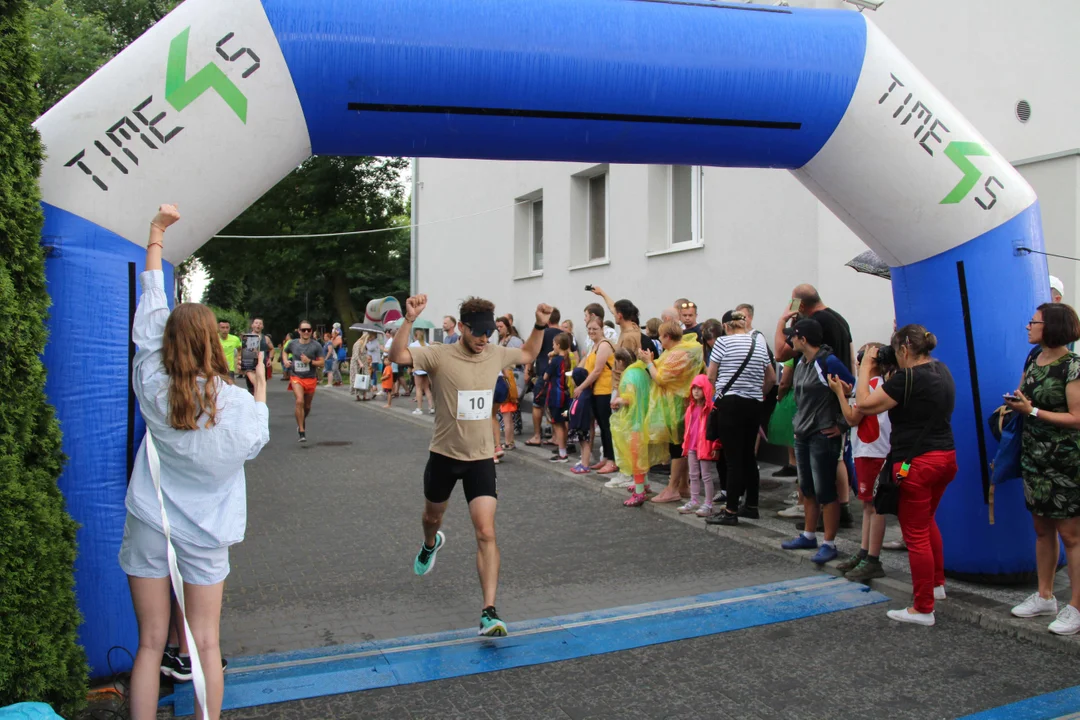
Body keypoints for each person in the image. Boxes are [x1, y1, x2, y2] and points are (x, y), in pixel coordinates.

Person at [121, 205, 269, 720]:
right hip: (207, 534)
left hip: (150, 522)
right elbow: (256, 443)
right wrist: (263, 392)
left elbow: (151, 314)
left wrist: (156, 235)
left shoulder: (151, 386)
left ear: (168, 345)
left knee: (149, 644)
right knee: (205, 642)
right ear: (215, 341)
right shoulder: (238, 406)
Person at [390, 294, 551, 636]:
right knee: (432, 517)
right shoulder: (439, 353)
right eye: (477, 333)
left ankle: (489, 612)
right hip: (444, 457)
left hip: (480, 459)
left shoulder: (494, 353)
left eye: (488, 333)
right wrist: (408, 319)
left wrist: (539, 324)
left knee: (486, 532)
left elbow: (528, 354)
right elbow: (398, 355)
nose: (483, 340)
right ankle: (431, 543)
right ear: (462, 327)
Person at [857, 325, 956, 626]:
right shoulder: (941, 370)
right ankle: (936, 586)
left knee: (915, 536)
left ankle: (923, 608)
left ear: (903, 350)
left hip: (916, 464)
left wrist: (864, 367)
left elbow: (863, 404)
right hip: (946, 457)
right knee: (926, 522)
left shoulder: (906, 378)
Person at [1005, 304, 1080, 635]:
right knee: (1041, 528)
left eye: (1033, 321)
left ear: (1051, 326)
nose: (1028, 326)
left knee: (1071, 535)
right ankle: (1045, 595)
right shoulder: (1033, 357)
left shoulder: (1073, 367)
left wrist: (1032, 411)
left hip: (1065, 460)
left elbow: (1077, 418)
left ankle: (1076, 605)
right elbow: (1024, 392)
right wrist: (1016, 404)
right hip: (1034, 456)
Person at [774, 285, 856, 527]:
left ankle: (819, 513)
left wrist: (782, 321)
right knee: (836, 459)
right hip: (833, 403)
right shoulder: (839, 319)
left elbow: (780, 353)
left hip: (820, 408)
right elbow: (850, 359)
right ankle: (843, 509)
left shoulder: (815, 326)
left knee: (817, 468)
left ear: (800, 304)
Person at [705, 311, 775, 525]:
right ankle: (751, 505)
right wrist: (756, 392)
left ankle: (731, 511)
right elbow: (772, 377)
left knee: (733, 459)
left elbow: (710, 375)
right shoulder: (759, 343)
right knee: (748, 458)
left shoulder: (722, 343)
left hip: (730, 404)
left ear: (726, 326)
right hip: (753, 405)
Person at [831, 343, 894, 581]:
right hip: (868, 449)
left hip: (873, 451)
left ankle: (872, 558)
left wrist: (839, 393)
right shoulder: (873, 385)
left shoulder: (872, 385)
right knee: (868, 505)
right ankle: (865, 552)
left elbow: (851, 418)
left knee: (874, 506)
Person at [639, 320, 705, 504]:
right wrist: (652, 361)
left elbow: (661, 378)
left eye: (661, 336)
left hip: (676, 406)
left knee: (677, 446)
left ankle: (673, 488)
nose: (660, 340)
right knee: (681, 446)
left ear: (668, 337)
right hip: (680, 404)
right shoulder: (686, 349)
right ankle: (683, 485)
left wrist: (648, 363)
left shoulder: (679, 353)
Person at [611, 348, 665, 507]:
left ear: (620, 362)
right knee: (642, 455)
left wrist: (618, 400)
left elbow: (630, 398)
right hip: (645, 420)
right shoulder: (641, 371)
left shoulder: (628, 374)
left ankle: (639, 492)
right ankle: (645, 484)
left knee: (636, 457)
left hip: (635, 421)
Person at [574, 318, 617, 476]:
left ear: (602, 329)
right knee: (603, 426)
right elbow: (585, 365)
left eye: (595, 329)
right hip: (596, 390)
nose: (592, 332)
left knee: (607, 427)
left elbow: (597, 370)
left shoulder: (604, 345)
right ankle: (606, 457)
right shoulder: (594, 345)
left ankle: (612, 460)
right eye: (589, 329)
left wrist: (581, 387)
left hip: (605, 390)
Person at [679, 375, 719, 517]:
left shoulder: (711, 409)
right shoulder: (691, 408)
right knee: (693, 475)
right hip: (692, 446)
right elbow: (688, 429)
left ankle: (708, 504)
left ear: (706, 390)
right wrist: (686, 444)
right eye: (694, 388)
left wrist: (715, 445)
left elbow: (715, 430)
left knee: (706, 476)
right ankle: (694, 500)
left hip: (705, 446)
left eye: (699, 388)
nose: (696, 391)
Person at [525, 307, 564, 447]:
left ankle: (537, 436)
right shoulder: (566, 335)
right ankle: (555, 436)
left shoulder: (542, 333)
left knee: (537, 405)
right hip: (560, 377)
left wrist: (527, 370)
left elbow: (531, 352)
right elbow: (574, 356)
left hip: (544, 374)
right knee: (554, 406)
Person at [282, 321, 325, 442]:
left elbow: (322, 363)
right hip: (296, 377)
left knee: (307, 406)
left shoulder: (316, 345)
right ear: (299, 331)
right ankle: (301, 431)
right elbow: (285, 351)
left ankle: (301, 419)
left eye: (309, 330)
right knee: (299, 401)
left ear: (311, 331)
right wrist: (285, 361)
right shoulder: (292, 343)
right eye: (303, 330)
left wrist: (309, 361)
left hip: (310, 378)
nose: (306, 332)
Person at [544, 333, 573, 463]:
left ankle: (562, 453)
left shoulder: (555, 361)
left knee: (557, 424)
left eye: (554, 344)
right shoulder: (567, 359)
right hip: (565, 394)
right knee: (564, 422)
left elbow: (545, 376)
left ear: (558, 345)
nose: (552, 346)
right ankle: (563, 449)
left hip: (555, 395)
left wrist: (549, 361)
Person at [496, 317, 525, 447]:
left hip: (510, 379)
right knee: (507, 415)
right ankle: (509, 441)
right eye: (497, 326)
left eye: (501, 326)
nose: (498, 329)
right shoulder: (501, 341)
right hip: (505, 379)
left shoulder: (514, 341)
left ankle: (509, 442)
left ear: (508, 326)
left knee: (508, 416)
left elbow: (522, 357)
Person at [244, 317, 274, 394]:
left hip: (262, 366)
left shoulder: (266, 338)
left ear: (262, 326)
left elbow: (272, 349)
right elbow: (242, 352)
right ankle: (252, 404)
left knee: (261, 386)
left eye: (260, 323)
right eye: (256, 323)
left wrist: (270, 359)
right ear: (252, 325)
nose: (258, 325)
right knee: (251, 389)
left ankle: (260, 403)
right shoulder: (247, 337)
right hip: (251, 366)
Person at [409, 329, 435, 415]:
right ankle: (431, 407)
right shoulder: (427, 345)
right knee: (427, 388)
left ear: (415, 336)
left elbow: (410, 357)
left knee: (418, 388)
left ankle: (419, 408)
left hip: (417, 369)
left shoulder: (412, 345)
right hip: (426, 369)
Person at [351, 332, 373, 401]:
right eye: (369, 339)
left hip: (364, 363)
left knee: (365, 378)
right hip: (357, 364)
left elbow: (364, 354)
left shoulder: (364, 345)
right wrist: (360, 363)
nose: (369, 341)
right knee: (357, 379)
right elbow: (356, 355)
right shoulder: (358, 344)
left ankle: (364, 395)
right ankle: (357, 395)